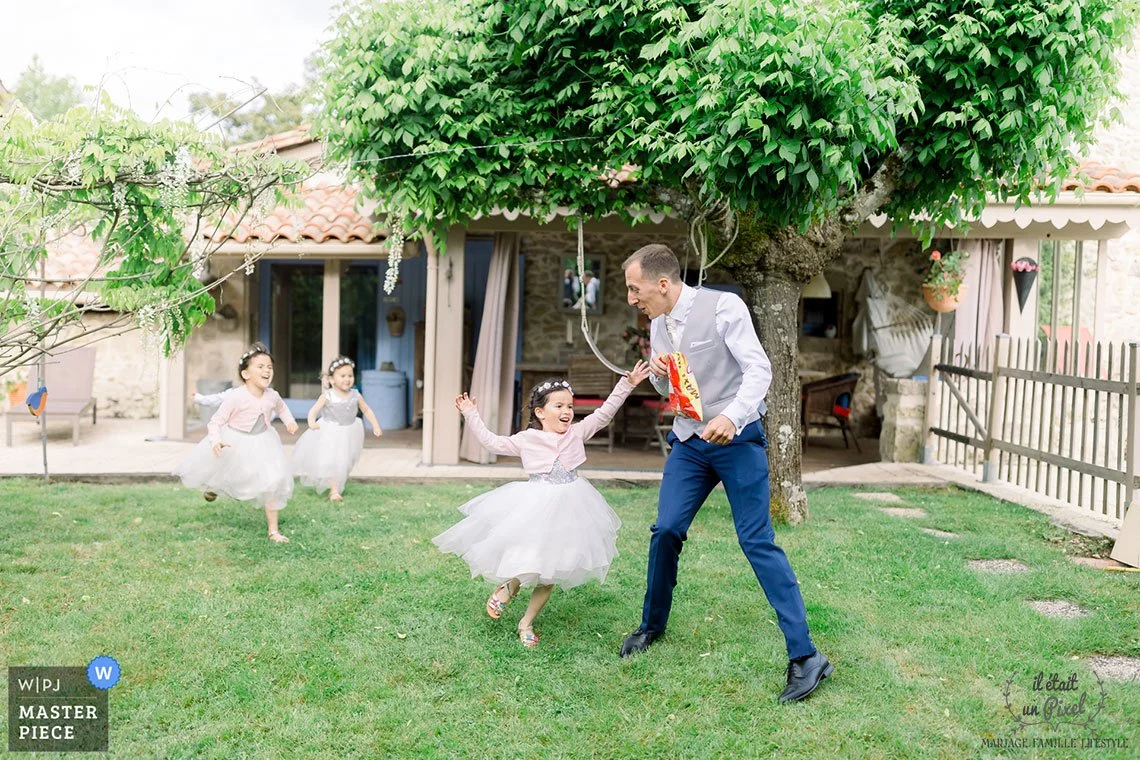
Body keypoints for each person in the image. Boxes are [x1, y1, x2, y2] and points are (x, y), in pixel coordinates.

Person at [619, 244, 831, 703]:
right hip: (690, 442)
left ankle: (806, 656)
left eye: (635, 289)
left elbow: (759, 369)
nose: (632, 299)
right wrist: (658, 374)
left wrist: (732, 417)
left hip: (737, 440)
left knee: (756, 540)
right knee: (666, 529)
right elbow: (669, 386)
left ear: (662, 284)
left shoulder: (724, 307)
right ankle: (652, 625)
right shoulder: (657, 324)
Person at [433, 361, 651, 648]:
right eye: (559, 406)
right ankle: (511, 585)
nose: (567, 411)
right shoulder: (527, 439)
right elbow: (492, 443)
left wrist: (627, 384)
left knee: (551, 571)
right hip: (537, 505)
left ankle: (526, 623)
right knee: (530, 555)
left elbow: (605, 412)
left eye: (570, 406)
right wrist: (471, 414)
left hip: (572, 505)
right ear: (540, 412)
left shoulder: (577, 432)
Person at [174, 343, 299, 543]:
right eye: (260, 366)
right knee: (227, 473)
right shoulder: (236, 397)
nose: (267, 370)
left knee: (273, 480)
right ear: (246, 374)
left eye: (269, 367)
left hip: (264, 441)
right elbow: (215, 422)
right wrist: (216, 440)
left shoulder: (273, 395)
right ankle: (213, 487)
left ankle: (273, 531)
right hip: (234, 441)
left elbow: (282, 408)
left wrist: (290, 422)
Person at [291, 356, 383, 501]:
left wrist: (375, 425)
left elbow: (366, 410)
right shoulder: (327, 396)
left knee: (344, 461)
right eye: (343, 376)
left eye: (350, 375)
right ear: (332, 380)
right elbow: (314, 410)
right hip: (330, 432)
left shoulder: (355, 395)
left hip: (349, 432)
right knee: (332, 461)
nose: (347, 379)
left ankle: (338, 484)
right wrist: (311, 422)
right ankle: (334, 491)